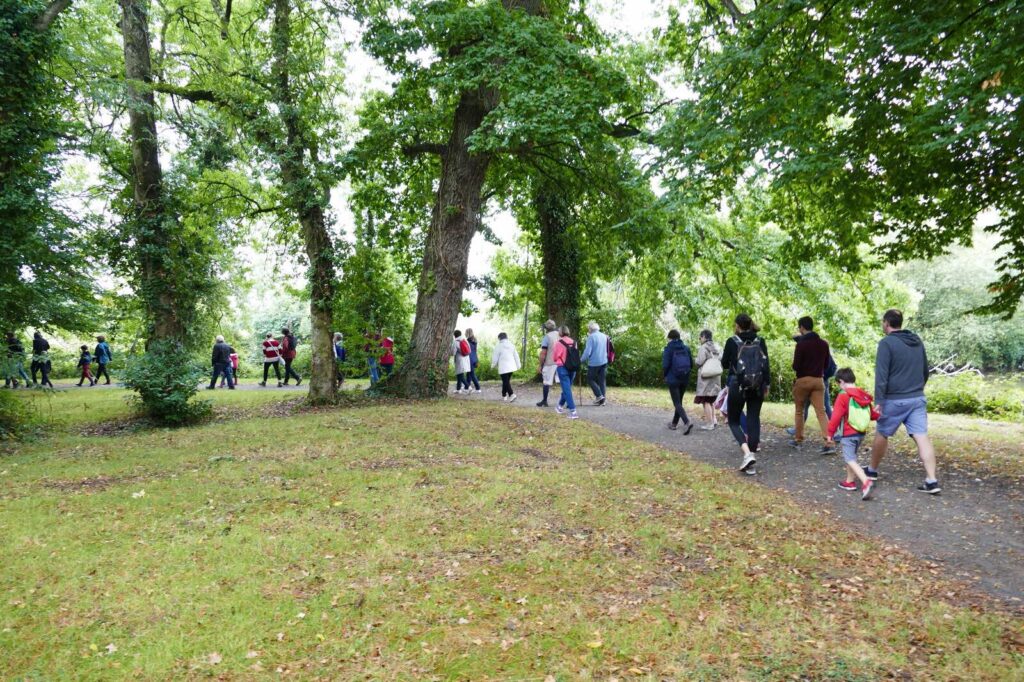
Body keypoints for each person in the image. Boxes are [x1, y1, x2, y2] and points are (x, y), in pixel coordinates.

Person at [867, 309, 941, 494]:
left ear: (886, 323)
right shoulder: (916, 341)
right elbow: (925, 370)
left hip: (894, 399)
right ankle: (931, 480)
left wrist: (879, 400)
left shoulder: (886, 343)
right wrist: (917, 389)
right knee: (921, 436)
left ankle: (872, 471)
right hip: (917, 398)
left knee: (882, 433)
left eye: (883, 322)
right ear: (900, 322)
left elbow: (881, 375)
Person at [721, 314, 770, 475]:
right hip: (757, 386)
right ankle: (752, 458)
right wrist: (767, 384)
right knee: (753, 419)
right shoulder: (760, 341)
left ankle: (747, 453)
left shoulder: (732, 341)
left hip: (737, 385)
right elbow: (766, 364)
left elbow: (724, 364)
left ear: (737, 325)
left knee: (734, 421)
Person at [825, 368, 879, 500]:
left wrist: (830, 434)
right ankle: (849, 482)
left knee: (850, 459)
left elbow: (836, 417)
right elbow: (872, 415)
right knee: (852, 456)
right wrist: (878, 414)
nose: (839, 386)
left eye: (839, 384)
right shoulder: (863, 395)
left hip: (848, 434)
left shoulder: (844, 395)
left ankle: (866, 482)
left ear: (842, 381)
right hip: (861, 433)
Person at [789, 316, 833, 452]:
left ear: (802, 327)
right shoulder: (823, 344)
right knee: (821, 412)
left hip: (803, 380)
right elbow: (826, 364)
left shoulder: (801, 344)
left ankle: (798, 440)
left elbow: (796, 366)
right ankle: (829, 442)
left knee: (799, 411)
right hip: (818, 381)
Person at [662, 329, 694, 434]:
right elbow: (691, 364)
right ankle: (674, 424)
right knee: (679, 402)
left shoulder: (668, 349)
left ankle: (687, 422)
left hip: (673, 379)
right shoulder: (686, 348)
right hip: (684, 378)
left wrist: (665, 375)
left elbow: (665, 365)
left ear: (670, 338)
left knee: (676, 402)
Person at [694, 329, 722, 429]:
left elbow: (699, 361)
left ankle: (709, 424)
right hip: (715, 377)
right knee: (711, 400)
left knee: (705, 401)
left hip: (706, 378)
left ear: (704, 337)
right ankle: (714, 421)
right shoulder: (716, 347)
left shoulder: (704, 347)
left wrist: (695, 360)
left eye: (700, 337)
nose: (700, 339)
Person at [551, 325, 579, 419]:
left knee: (566, 389)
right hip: (573, 368)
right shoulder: (574, 342)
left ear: (560, 332)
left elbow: (555, 358)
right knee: (566, 388)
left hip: (562, 368)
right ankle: (559, 406)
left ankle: (573, 412)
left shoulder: (558, 343)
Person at [580, 321, 609, 406]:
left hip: (594, 362)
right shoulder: (604, 336)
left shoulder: (591, 337)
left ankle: (599, 396)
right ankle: (603, 400)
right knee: (602, 381)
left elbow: (587, 352)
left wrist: (581, 360)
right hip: (604, 361)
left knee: (590, 379)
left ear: (590, 329)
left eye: (588, 328)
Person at [536, 320, 561, 407]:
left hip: (550, 362)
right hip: (561, 362)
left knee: (546, 382)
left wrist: (540, 365)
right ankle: (567, 401)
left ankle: (544, 400)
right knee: (563, 382)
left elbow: (543, 352)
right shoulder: (560, 335)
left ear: (546, 328)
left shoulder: (547, 337)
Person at [491, 332, 521, 402]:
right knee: (506, 382)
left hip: (503, 367)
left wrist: (493, 365)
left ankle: (512, 394)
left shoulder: (498, 346)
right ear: (506, 337)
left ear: (499, 338)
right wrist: (518, 365)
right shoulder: (511, 345)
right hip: (511, 367)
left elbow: (495, 357)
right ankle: (504, 395)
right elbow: (516, 356)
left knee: (506, 382)